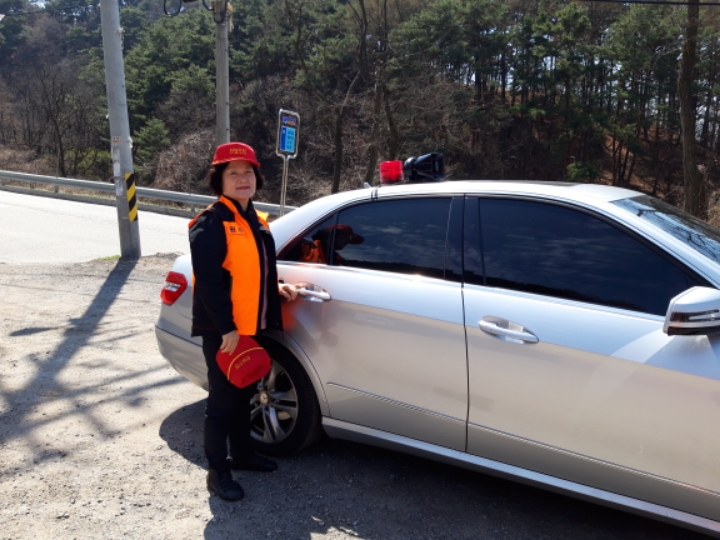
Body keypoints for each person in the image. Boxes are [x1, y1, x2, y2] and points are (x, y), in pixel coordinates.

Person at [188, 141, 299, 501]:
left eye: (248, 172)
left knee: (245, 394)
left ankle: (243, 455)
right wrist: (227, 329)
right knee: (222, 403)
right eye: (233, 172)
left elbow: (251, 270)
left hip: (253, 326)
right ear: (218, 180)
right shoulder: (211, 222)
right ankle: (217, 473)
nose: (242, 178)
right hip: (226, 331)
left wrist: (275, 288)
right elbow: (209, 283)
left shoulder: (256, 220)